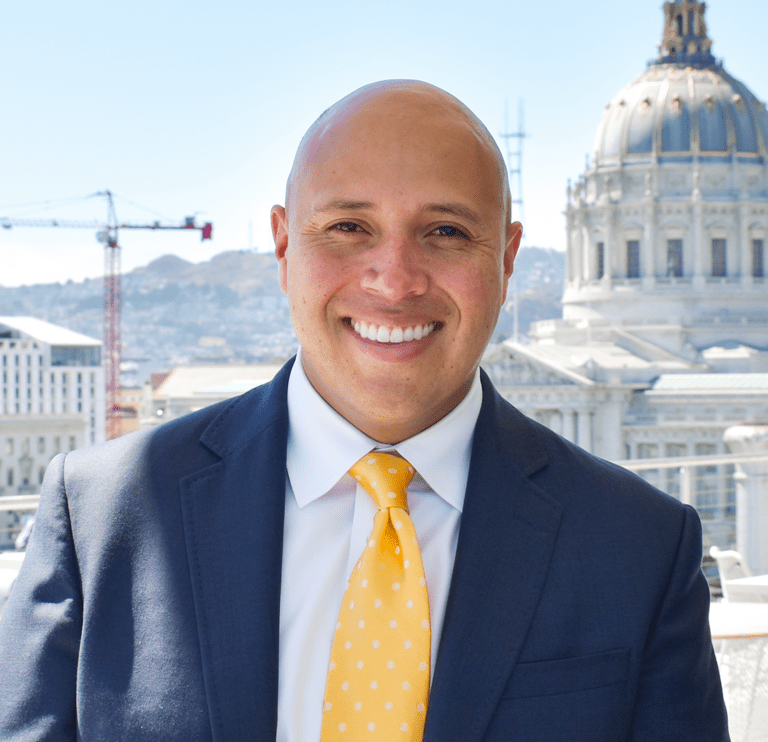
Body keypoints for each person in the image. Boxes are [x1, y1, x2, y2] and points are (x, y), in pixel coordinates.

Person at [0, 81, 728, 741]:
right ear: (284, 245)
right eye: (349, 228)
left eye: (444, 231)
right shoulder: (102, 518)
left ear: (507, 261)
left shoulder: (640, 546)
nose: (394, 281)